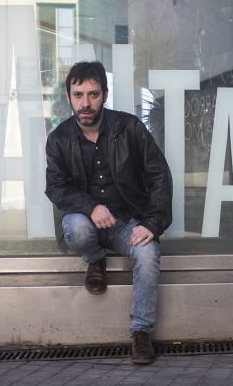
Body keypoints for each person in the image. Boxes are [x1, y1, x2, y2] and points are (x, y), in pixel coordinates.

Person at [45, 61, 173, 365]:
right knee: (77, 228)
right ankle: (95, 259)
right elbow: (56, 188)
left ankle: (140, 332)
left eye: (93, 94)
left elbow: (159, 175)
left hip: (124, 223)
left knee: (148, 253)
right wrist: (90, 206)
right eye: (78, 95)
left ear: (104, 94)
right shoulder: (59, 139)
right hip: (84, 221)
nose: (85, 103)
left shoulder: (130, 128)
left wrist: (152, 223)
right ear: (68, 97)